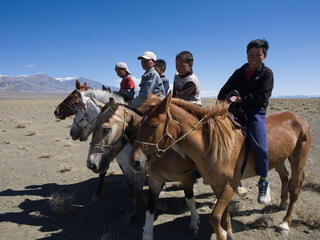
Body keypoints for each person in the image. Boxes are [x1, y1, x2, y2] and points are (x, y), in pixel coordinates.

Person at [217, 39, 274, 204]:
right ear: (246, 55)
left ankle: (263, 180)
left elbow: (261, 97)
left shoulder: (267, 73)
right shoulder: (240, 71)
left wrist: (240, 99)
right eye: (250, 54)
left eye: (258, 54)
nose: (254, 57)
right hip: (234, 109)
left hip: (255, 111)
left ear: (265, 56)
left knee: (260, 145)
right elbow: (224, 89)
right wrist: (223, 101)